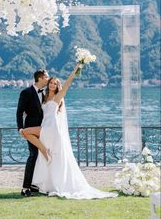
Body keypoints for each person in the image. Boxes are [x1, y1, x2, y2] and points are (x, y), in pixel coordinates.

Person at [21, 63, 118, 199]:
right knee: (27, 134)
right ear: (48, 84)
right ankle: (45, 156)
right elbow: (37, 108)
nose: (52, 85)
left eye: (55, 83)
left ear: (57, 86)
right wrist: (26, 113)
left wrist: (75, 70)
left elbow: (67, 84)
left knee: (25, 132)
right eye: (51, 83)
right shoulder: (44, 96)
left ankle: (43, 151)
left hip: (51, 127)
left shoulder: (57, 97)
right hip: (45, 125)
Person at [16, 69, 49, 197]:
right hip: (31, 129)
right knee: (33, 154)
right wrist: (20, 128)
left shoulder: (47, 93)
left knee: (42, 156)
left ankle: (35, 184)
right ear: (40, 78)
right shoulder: (26, 92)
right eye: (47, 77)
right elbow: (19, 112)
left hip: (45, 129)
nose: (48, 79)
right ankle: (25, 187)